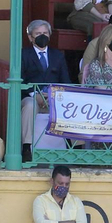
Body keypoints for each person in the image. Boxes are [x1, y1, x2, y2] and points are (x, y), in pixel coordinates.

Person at [20, 19, 72, 160]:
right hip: (31, 97)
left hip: (54, 98)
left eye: (45, 33)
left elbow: (65, 81)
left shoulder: (58, 55)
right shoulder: (23, 54)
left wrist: (54, 96)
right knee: (30, 106)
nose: (42, 36)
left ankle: (73, 147)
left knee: (72, 105)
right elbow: (20, 80)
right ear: (30, 37)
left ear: (49, 35)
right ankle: (27, 148)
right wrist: (35, 94)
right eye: (37, 33)